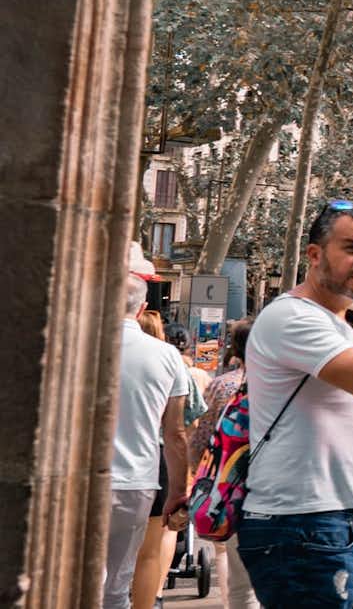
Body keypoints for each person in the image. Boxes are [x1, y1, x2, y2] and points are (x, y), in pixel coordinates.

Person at [237, 201, 353, 606]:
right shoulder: (292, 316)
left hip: (339, 521)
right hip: (300, 524)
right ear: (315, 255)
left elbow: (343, 446)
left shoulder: (339, 327)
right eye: (352, 248)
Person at [103, 243, 192, 609]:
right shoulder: (168, 355)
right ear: (142, 308)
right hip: (138, 482)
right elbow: (175, 434)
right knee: (118, 583)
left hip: (81, 481)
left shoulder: (78, 344)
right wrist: (176, 492)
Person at [185, 320, 260, 608]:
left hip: (228, 488)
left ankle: (230, 603)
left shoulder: (222, 385)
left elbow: (203, 437)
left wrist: (194, 474)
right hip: (282, 493)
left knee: (233, 567)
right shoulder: (281, 386)